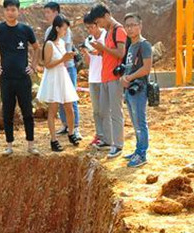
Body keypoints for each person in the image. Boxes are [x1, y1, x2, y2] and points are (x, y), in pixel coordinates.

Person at [0, 0, 41, 156]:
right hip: (6, 79)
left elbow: (37, 48)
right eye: (8, 10)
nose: (11, 12)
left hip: (23, 79)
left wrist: (34, 66)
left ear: (18, 11)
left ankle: (31, 145)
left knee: (27, 112)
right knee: (7, 113)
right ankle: (9, 145)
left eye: (14, 10)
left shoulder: (25, 30)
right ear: (4, 11)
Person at [88, 4, 127, 159]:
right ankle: (108, 140)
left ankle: (118, 144)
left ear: (106, 15)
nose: (99, 26)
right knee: (104, 111)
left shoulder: (119, 30)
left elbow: (120, 53)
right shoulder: (110, 31)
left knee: (115, 112)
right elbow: (109, 54)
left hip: (114, 78)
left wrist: (103, 49)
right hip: (105, 76)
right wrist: (99, 52)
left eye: (99, 22)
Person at [37, 15, 80, 151]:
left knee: (69, 107)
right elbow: (47, 64)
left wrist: (67, 58)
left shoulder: (61, 42)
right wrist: (63, 59)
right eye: (64, 29)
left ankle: (71, 133)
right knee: (53, 110)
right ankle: (53, 140)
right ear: (57, 28)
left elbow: (62, 61)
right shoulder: (49, 44)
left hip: (62, 76)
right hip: (53, 78)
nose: (65, 32)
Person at [120, 14, 152, 167]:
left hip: (139, 88)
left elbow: (146, 69)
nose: (130, 28)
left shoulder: (144, 45)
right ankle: (138, 150)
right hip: (131, 88)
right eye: (127, 26)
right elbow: (130, 67)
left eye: (133, 25)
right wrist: (124, 78)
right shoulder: (131, 45)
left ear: (140, 25)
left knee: (140, 122)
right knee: (135, 122)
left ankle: (142, 154)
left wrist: (129, 78)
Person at [80, 13, 108, 148]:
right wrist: (86, 53)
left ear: (98, 24)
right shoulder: (88, 40)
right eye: (88, 28)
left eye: (91, 27)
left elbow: (111, 54)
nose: (90, 30)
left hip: (105, 77)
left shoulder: (106, 36)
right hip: (93, 77)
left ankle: (108, 136)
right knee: (96, 110)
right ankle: (99, 134)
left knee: (105, 109)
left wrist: (100, 51)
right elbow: (89, 62)